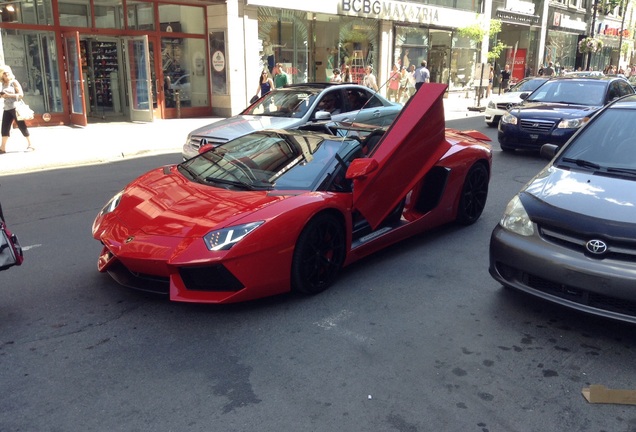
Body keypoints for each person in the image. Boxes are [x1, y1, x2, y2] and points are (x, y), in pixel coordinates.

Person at [0, 65, 33, 154]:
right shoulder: (3, 84)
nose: (6, 75)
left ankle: (31, 145)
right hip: (7, 108)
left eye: (7, 73)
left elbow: (21, 95)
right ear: (2, 76)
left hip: (15, 107)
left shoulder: (14, 82)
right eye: (4, 74)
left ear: (10, 74)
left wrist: (8, 95)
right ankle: (2, 148)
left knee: (21, 126)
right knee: (4, 128)